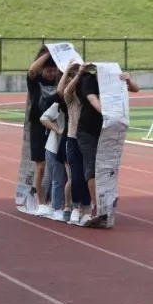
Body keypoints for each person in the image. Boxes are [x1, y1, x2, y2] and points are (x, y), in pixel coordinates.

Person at [75, 65, 139, 227]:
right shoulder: (88, 80)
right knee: (91, 167)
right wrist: (107, 114)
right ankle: (96, 207)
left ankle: (106, 204)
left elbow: (135, 89)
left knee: (107, 167)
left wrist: (129, 80)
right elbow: (92, 99)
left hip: (106, 131)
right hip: (88, 131)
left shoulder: (114, 82)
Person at [26, 47, 59, 213]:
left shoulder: (59, 81)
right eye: (49, 70)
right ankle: (41, 202)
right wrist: (48, 53)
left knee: (57, 164)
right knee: (41, 166)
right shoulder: (35, 81)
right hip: (38, 127)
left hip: (55, 127)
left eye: (54, 70)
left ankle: (55, 200)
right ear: (43, 70)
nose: (52, 74)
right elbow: (32, 70)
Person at [62, 62, 91, 224]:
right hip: (73, 138)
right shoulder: (71, 98)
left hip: (88, 138)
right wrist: (76, 74)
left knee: (88, 175)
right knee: (76, 176)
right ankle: (75, 207)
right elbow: (65, 91)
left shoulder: (90, 96)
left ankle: (87, 208)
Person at [40, 100, 67, 222]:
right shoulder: (58, 105)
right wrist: (58, 130)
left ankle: (64, 206)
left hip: (68, 146)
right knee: (56, 178)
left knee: (66, 179)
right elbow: (43, 118)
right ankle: (55, 208)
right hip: (55, 147)